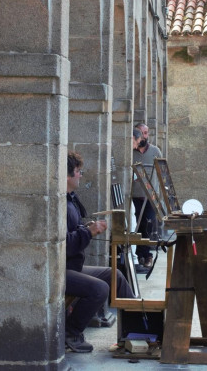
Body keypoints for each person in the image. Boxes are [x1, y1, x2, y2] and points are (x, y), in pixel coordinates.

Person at [65, 151, 135, 352]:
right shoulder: (60, 202)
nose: (80, 175)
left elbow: (73, 231)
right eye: (78, 172)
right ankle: (71, 332)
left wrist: (87, 228)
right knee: (100, 288)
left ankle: (135, 328)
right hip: (61, 270)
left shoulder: (71, 200)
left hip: (74, 266)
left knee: (115, 276)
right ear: (67, 175)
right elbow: (65, 244)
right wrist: (89, 231)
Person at [131, 123, 162, 271]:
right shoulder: (131, 151)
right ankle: (140, 254)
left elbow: (162, 173)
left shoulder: (155, 151)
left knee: (148, 225)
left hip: (150, 196)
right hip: (135, 195)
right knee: (137, 225)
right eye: (141, 133)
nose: (144, 135)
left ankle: (147, 254)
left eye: (146, 133)